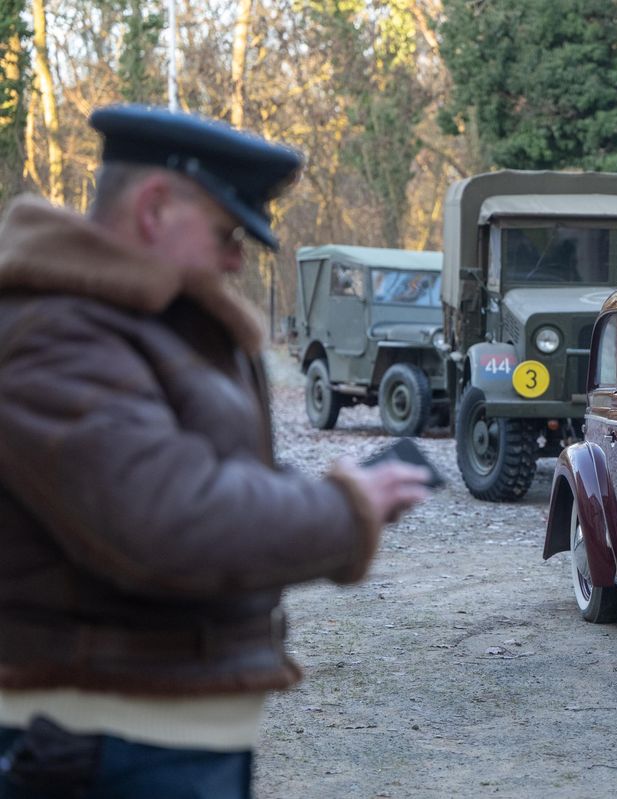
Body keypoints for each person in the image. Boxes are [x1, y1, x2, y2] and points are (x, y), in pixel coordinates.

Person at [0, 105, 430, 797]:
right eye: (228, 232)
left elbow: (213, 477)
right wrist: (345, 509)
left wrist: (324, 495)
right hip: (101, 742)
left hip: (150, 735)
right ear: (154, 207)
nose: (238, 258)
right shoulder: (58, 331)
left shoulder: (142, 323)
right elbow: (166, 521)